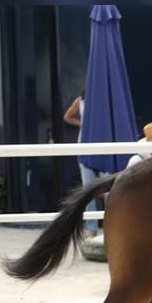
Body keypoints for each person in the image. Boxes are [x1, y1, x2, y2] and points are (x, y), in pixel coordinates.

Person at [64, 86, 102, 237]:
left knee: (110, 186)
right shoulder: (81, 101)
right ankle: (91, 227)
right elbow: (67, 116)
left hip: (103, 146)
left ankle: (108, 223)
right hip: (85, 146)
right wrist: (82, 125)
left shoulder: (103, 101)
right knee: (88, 187)